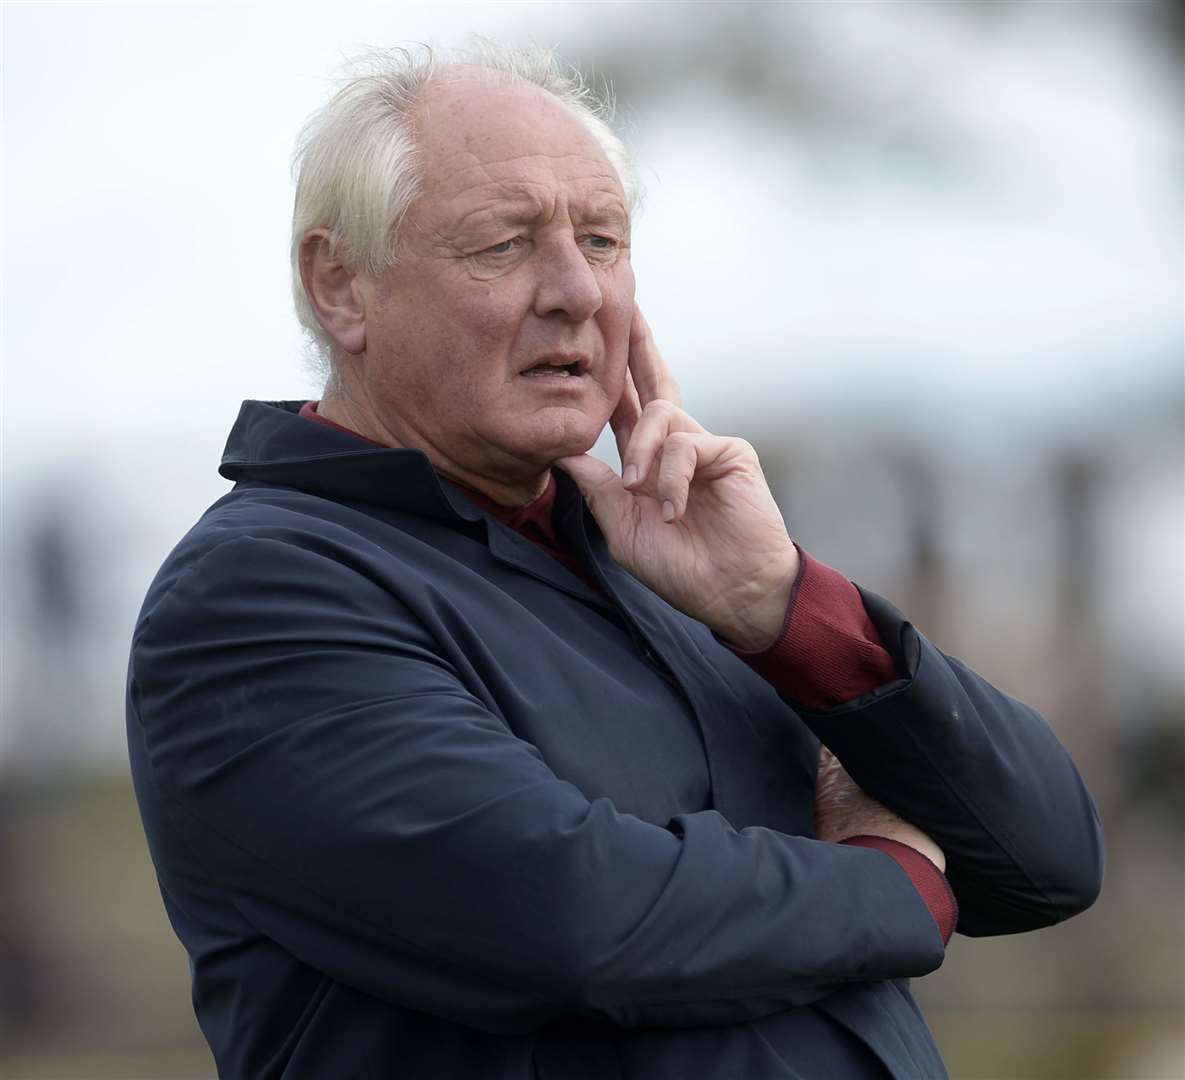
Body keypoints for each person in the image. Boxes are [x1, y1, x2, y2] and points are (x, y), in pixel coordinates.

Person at [126, 44, 1103, 1080]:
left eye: (602, 239)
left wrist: (779, 605)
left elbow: (1046, 860)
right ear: (341, 287)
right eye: (504, 245)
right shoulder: (258, 595)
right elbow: (572, 917)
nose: (576, 292)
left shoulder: (668, 557)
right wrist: (894, 879)